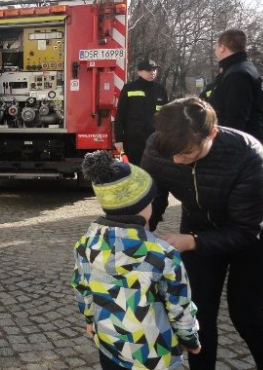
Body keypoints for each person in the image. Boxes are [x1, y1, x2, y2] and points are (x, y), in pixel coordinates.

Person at [141, 97, 263, 369]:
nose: (178, 161)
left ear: (212, 134)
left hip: (261, 230)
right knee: (196, 314)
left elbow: (246, 231)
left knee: (247, 313)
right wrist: (142, 229)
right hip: (200, 219)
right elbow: (152, 195)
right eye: (172, 155)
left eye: (188, 154)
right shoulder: (160, 146)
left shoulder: (246, 154)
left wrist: (191, 241)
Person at [72, 150, 200, 370]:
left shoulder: (86, 244)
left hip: (109, 346)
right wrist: (189, 338)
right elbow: (179, 305)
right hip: (154, 354)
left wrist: (90, 320)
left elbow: (83, 288)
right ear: (142, 207)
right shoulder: (162, 254)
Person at [200, 28, 263, 142]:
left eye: (216, 46)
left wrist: (226, 148)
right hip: (244, 142)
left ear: (222, 47)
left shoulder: (237, 75)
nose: (215, 50)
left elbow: (235, 120)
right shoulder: (241, 68)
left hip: (238, 148)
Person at [113, 59, 168, 165]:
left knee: (153, 172)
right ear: (139, 72)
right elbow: (120, 115)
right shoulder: (129, 88)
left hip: (155, 141)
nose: (152, 72)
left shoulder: (161, 90)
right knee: (133, 172)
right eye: (148, 70)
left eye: (154, 69)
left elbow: (166, 116)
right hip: (133, 142)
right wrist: (119, 139)